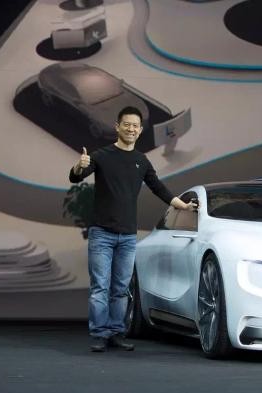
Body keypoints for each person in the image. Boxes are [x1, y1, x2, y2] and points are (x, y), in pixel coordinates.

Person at [69, 106, 197, 352]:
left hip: (127, 236)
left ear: (140, 130)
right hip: (102, 233)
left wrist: (182, 205)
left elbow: (158, 187)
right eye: (126, 124)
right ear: (117, 127)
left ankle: (116, 332)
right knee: (100, 287)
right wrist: (78, 166)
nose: (131, 129)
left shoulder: (141, 160)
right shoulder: (101, 155)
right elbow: (76, 177)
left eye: (135, 126)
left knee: (120, 289)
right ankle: (99, 334)